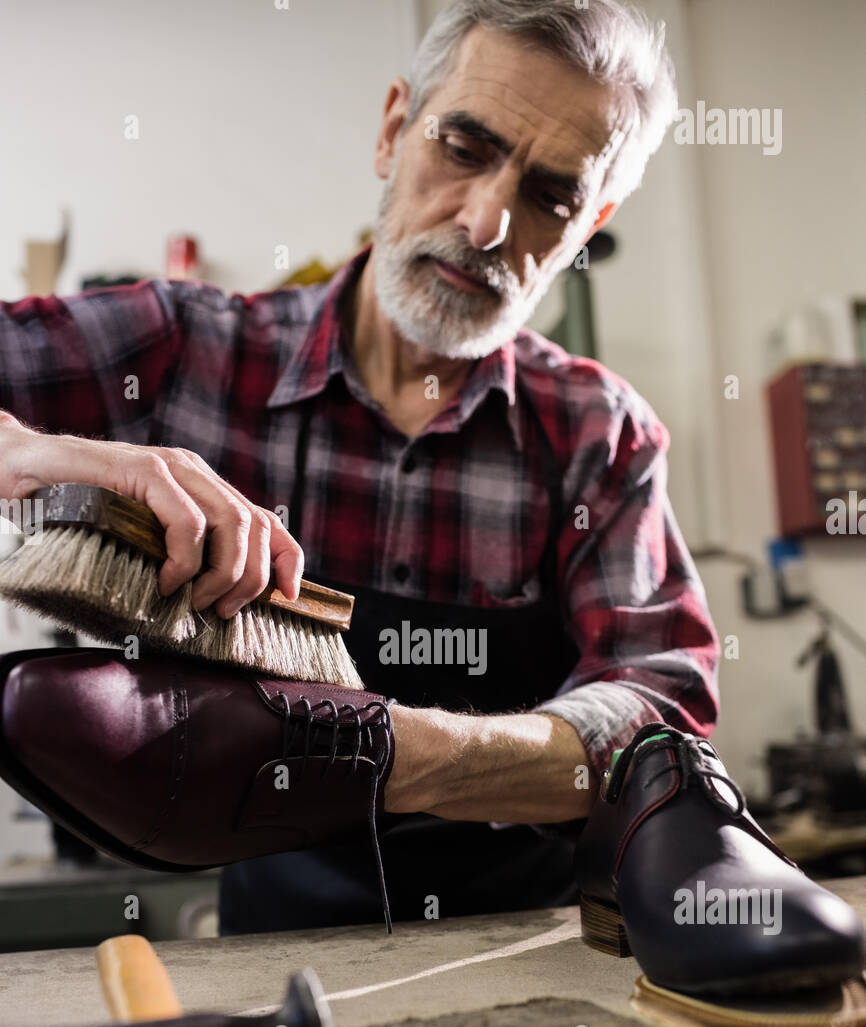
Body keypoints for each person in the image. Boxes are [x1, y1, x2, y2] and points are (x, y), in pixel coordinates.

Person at [0, 0, 719, 931]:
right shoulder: (185, 353)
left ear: (587, 231)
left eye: (551, 197)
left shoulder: (599, 435)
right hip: (274, 961)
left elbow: (661, 720)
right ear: (393, 131)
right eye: (464, 147)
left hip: (527, 959)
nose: (490, 221)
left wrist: (379, 750)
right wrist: (25, 454)